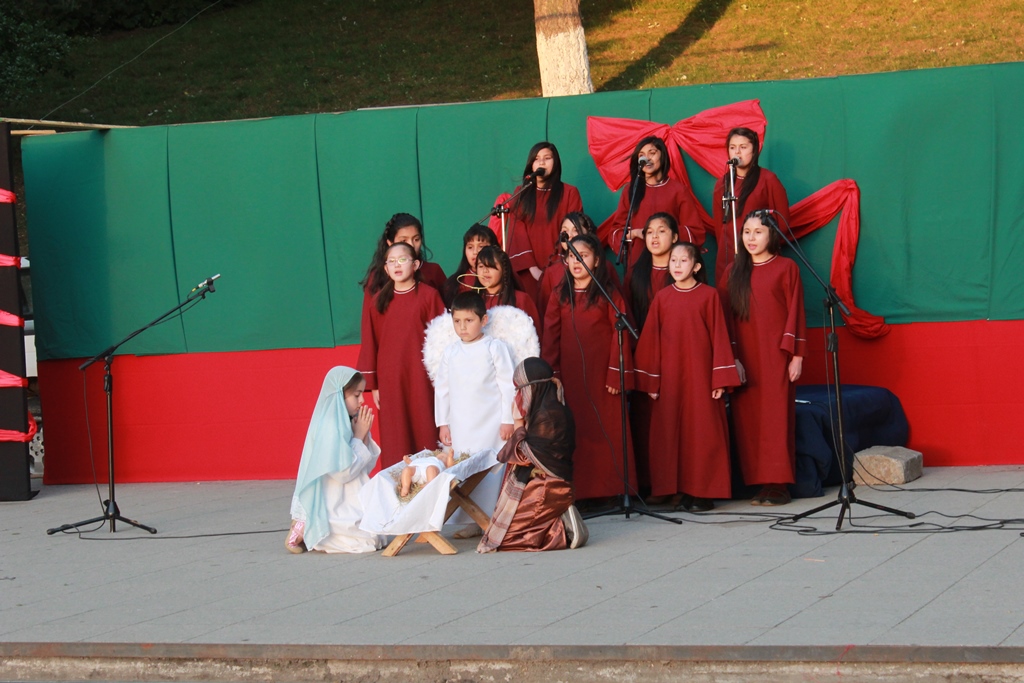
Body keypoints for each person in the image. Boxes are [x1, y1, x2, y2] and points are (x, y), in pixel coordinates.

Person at [634, 243, 742, 510]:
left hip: (701, 375)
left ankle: (703, 492)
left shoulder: (709, 295)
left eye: (684, 260)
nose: (677, 265)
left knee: (703, 432)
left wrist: (719, 379)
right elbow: (651, 341)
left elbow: (720, 336)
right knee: (670, 433)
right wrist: (652, 381)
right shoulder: (662, 298)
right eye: (673, 260)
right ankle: (678, 490)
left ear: (696, 266)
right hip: (670, 377)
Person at [541, 233, 636, 504]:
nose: (576, 261)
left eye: (583, 256)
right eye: (572, 256)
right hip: (570, 378)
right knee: (576, 433)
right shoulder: (559, 294)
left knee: (608, 431)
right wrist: (553, 376)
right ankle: (580, 494)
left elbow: (620, 335)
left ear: (596, 261)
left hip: (604, 376)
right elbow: (551, 337)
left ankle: (612, 491)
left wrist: (616, 374)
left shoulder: (608, 293)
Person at [723, 211, 806, 506]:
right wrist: (732, 358)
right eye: (746, 232)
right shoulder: (733, 271)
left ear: (772, 235)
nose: (751, 238)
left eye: (758, 232)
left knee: (776, 419)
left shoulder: (787, 268)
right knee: (749, 422)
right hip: (744, 358)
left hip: (776, 356)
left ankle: (779, 485)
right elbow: (726, 319)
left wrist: (797, 355)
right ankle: (760, 484)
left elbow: (796, 311)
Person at [478, 357, 587, 552]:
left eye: (520, 390)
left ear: (533, 388)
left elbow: (522, 457)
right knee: (497, 531)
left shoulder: (549, 416)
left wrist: (518, 424)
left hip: (549, 485)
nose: (518, 396)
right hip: (540, 482)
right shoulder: (546, 408)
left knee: (504, 540)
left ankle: (563, 529)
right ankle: (555, 518)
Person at [433, 291, 517, 535]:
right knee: (466, 467)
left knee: (491, 468)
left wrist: (508, 419)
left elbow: (508, 385)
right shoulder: (450, 352)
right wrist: (443, 423)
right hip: (462, 424)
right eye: (457, 321)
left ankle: (493, 519)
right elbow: (442, 389)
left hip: (491, 422)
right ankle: (472, 521)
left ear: (484, 320)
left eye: (469, 321)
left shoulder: (494, 348)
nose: (462, 327)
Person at [357, 242, 445, 468]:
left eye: (403, 260)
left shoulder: (429, 296)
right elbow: (371, 342)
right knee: (395, 432)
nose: (397, 265)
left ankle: (431, 477)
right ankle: (399, 480)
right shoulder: (378, 301)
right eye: (392, 261)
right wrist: (374, 385)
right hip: (390, 379)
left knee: (425, 424)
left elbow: (441, 340)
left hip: (421, 376)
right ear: (385, 269)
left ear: (415, 265)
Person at [286, 367, 383, 554]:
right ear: (339, 396)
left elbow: (364, 465)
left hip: (348, 495)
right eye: (356, 395)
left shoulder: (348, 420)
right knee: (363, 541)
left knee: (374, 535)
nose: (362, 401)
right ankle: (303, 527)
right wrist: (359, 436)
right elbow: (342, 473)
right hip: (333, 499)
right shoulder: (330, 426)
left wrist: (362, 435)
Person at [598, 135, 704, 267]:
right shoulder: (631, 190)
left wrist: (665, 232)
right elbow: (616, 233)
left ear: (662, 155)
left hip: (670, 264)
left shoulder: (678, 190)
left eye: (652, 153)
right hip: (638, 264)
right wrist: (636, 233)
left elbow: (695, 232)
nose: (646, 158)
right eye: (641, 155)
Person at [498, 142, 583, 302]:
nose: (541, 162)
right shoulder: (521, 193)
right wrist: (532, 268)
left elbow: (575, 232)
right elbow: (517, 233)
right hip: (528, 270)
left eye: (547, 158)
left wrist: (557, 268)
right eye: (536, 159)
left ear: (555, 162)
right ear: (531, 164)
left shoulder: (569, 193)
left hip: (561, 268)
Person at [712, 127, 790, 285]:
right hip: (728, 255)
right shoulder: (722, 184)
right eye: (732, 147)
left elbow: (782, 223)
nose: (737, 152)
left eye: (743, 147)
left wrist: (761, 248)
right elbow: (719, 226)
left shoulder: (768, 180)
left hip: (758, 255)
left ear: (754, 150)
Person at [538, 211, 621, 317]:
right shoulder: (551, 273)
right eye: (565, 231)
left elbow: (618, 308)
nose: (569, 236)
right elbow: (545, 313)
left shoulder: (605, 266)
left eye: (576, 230)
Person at [360, 213, 446, 297]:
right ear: (390, 243)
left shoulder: (433, 271)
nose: (411, 245)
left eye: (416, 239)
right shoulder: (377, 276)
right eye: (404, 241)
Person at [475, 245, 542, 334]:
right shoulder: (472, 300)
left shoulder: (521, 299)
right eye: (480, 266)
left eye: (491, 266)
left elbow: (534, 335)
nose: (485, 271)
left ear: (503, 270)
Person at [443, 224, 499, 307]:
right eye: (470, 247)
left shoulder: (505, 279)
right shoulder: (454, 284)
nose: (475, 252)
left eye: (481, 246)